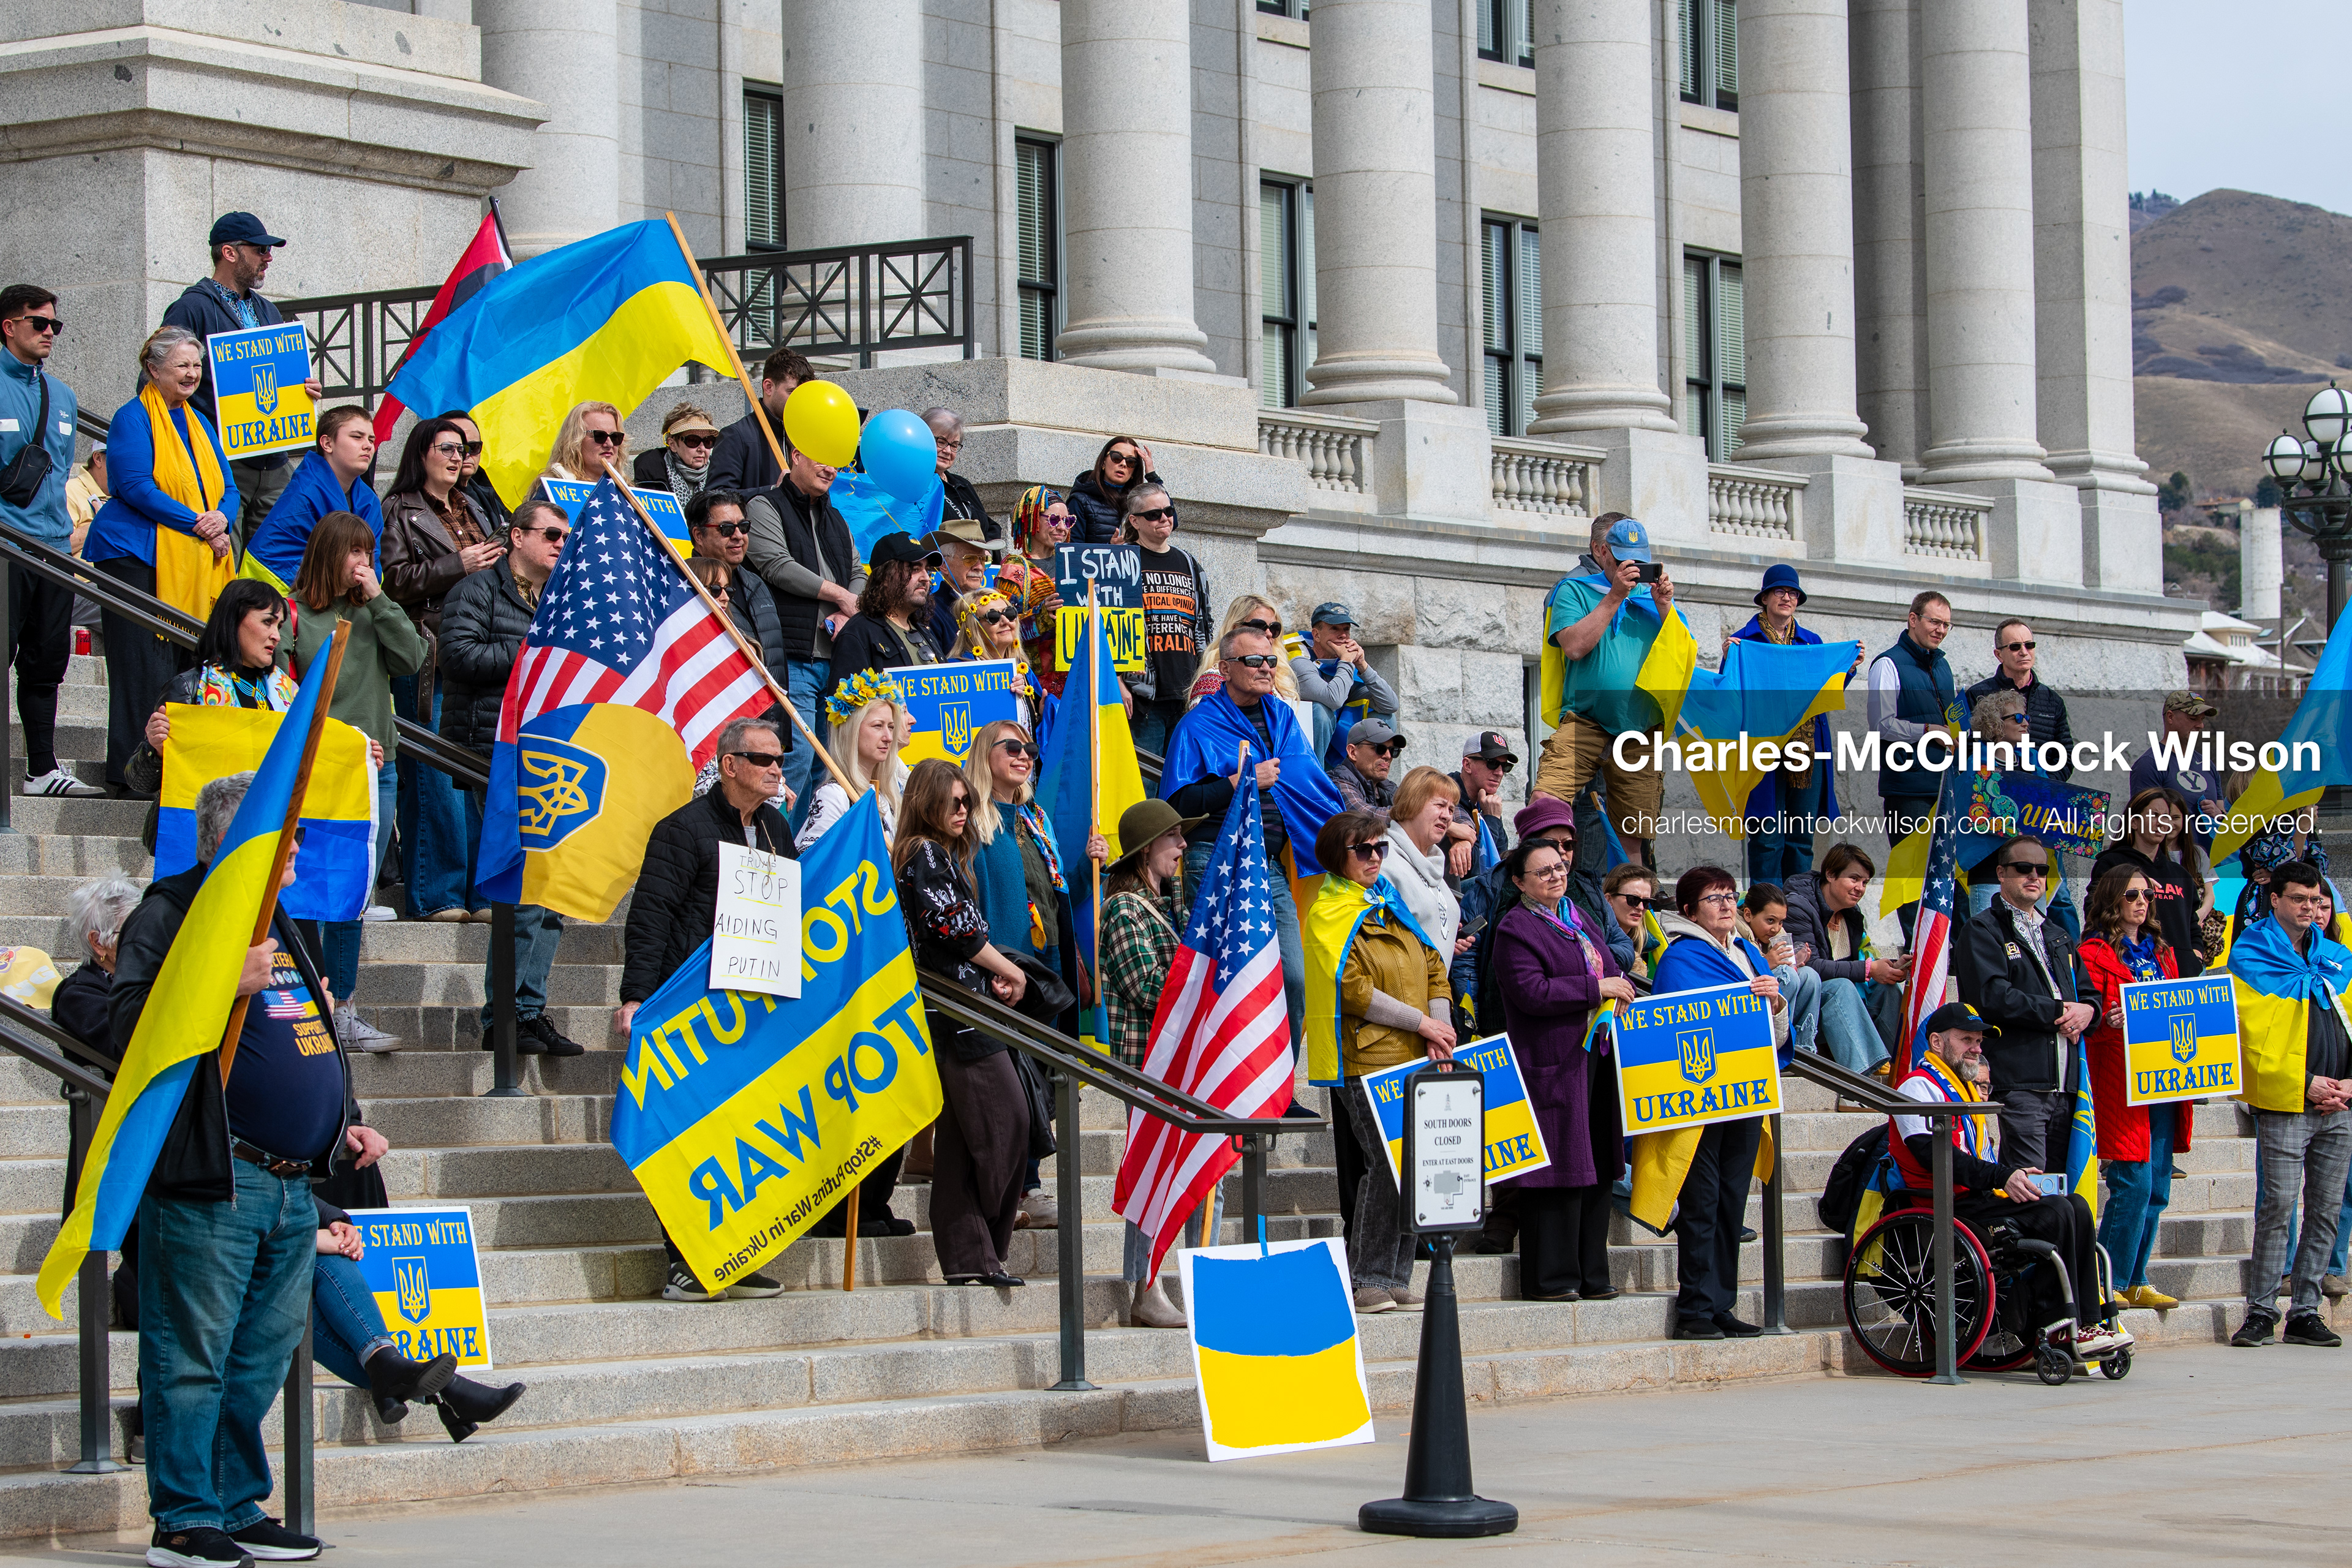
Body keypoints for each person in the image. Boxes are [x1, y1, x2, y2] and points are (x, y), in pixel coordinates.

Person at [115, 769, 384, 1568]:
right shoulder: (171, 913)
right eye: (289, 831)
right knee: (189, 1358)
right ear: (248, 837)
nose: (300, 844)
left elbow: (305, 1038)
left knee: (259, 1359)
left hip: (292, 1185)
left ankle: (235, 1505)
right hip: (213, 1179)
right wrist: (214, 984)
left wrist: (343, 1129)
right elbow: (125, 1020)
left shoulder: (283, 920)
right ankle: (184, 1518)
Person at [613, 715, 801, 1299]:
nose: (777, 769)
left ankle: (736, 1254)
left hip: (754, 1010)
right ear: (729, 766)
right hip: (691, 1006)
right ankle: (686, 1261)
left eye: (780, 759)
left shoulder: (776, 829)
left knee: (743, 1136)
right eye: (764, 760)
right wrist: (636, 996)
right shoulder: (683, 829)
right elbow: (651, 917)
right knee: (689, 1138)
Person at [1890, 1002, 2129, 1357]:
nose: (1976, 1047)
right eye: (1966, 1039)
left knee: (2076, 1205)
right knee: (2056, 1214)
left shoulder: (1966, 1087)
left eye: (1979, 1041)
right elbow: (1939, 1158)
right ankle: (2059, 1324)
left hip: (1976, 1196)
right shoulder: (1917, 1088)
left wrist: (2009, 1179)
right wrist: (2004, 1176)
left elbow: (1978, 1158)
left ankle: (2090, 1321)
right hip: (1940, 1202)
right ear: (1937, 1042)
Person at [437, 499, 584, 1057]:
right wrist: (532, 652)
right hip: (493, 756)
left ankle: (529, 1010)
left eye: (566, 538)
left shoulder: (564, 600)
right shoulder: (476, 591)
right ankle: (502, 1017)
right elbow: (458, 657)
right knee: (522, 894)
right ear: (517, 536)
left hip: (554, 758)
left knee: (552, 899)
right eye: (550, 534)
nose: (560, 545)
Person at [1159, 626, 1346, 1045]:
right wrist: (1240, 781)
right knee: (1233, 981)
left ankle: (1278, 1093)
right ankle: (1231, 1095)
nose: (1266, 669)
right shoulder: (1198, 725)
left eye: (1271, 661)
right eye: (1254, 661)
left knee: (1293, 979)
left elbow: (1308, 784)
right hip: (1216, 862)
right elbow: (1178, 803)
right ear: (1225, 668)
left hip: (1271, 866)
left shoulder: (1284, 720)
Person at [895, 758, 1036, 1287]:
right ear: (927, 801)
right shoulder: (924, 853)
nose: (964, 810)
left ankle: (970, 1259)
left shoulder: (943, 854)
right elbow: (954, 928)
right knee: (1008, 1125)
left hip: (962, 1003)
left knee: (962, 1139)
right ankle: (980, 1252)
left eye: (968, 802)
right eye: (955, 802)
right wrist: (1009, 973)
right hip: (956, 1011)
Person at [287, 511, 423, 1049]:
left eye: (370, 554)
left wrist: (382, 600)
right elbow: (284, 698)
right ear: (329, 554)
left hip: (379, 771)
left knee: (352, 892)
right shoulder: (294, 615)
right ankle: (303, 1004)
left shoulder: (374, 611)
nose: (365, 563)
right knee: (305, 888)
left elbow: (412, 659)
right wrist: (337, 746)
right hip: (319, 771)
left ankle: (342, 1007)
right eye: (355, 553)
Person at [1314, 807, 1455, 1313]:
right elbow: (1350, 989)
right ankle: (1367, 1278)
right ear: (1339, 856)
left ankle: (1395, 1276)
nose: (1375, 857)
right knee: (1385, 1165)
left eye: (1381, 848)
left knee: (1411, 1167)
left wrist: (1438, 1025)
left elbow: (1435, 965)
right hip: (1369, 1059)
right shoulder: (1330, 909)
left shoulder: (1387, 902)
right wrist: (1423, 1024)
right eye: (1364, 850)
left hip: (1415, 1054)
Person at [88, 326, 239, 793]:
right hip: (136, 557)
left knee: (181, 670)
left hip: (193, 561)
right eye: (182, 366)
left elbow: (229, 488)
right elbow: (133, 487)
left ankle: (175, 774)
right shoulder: (131, 418)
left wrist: (220, 518)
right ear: (153, 370)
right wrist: (199, 521)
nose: (192, 374)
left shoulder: (200, 420)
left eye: (197, 365)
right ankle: (132, 779)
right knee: (142, 670)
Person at [1490, 835, 1629, 1301]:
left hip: (1596, 1057)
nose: (1556, 875)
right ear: (1520, 882)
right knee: (1557, 1175)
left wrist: (1614, 987)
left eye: (1559, 866)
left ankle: (1592, 1274)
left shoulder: (1578, 917)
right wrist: (1597, 990)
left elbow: (1611, 967)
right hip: (1551, 1064)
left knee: (1595, 1169)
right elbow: (1533, 991)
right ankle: (1553, 1278)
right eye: (1543, 871)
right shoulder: (1515, 928)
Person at [1651, 865, 1784, 1339]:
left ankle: (1721, 1304)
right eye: (1714, 898)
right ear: (1689, 911)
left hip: (1746, 1092)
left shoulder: (1750, 951)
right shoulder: (1680, 958)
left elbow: (1774, 1033)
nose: (1727, 904)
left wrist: (1776, 1002)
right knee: (1702, 1203)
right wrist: (1741, 998)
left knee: (1731, 1202)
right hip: (1698, 1098)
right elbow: (1675, 1025)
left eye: (1731, 895)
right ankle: (1694, 1311)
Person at [380, 415, 502, 922]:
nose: (457, 456)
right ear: (422, 453)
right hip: (426, 652)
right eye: (447, 447)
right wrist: (459, 565)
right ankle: (438, 894)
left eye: (464, 449)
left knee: (474, 775)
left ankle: (479, 891)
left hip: (478, 650)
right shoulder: (397, 508)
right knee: (432, 774)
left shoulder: (474, 505)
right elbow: (390, 580)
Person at [2228, 861, 2352, 1348]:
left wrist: (2347, 1084)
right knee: (2278, 1206)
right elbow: (2248, 1041)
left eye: (2317, 900)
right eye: (2299, 899)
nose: (2310, 908)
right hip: (2286, 1103)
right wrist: (2305, 1082)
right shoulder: (2251, 956)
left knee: (2325, 1208)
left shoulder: (2337, 958)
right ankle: (2260, 1310)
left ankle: (2305, 1311)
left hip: (2339, 1104)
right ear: (2274, 899)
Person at [1099, 797, 1205, 1327]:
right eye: (1174, 838)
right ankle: (1146, 1288)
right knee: (1153, 1179)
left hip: (1183, 1068)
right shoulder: (1122, 908)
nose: (1183, 847)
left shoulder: (1171, 907)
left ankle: (1187, 1281)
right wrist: (1206, 989)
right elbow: (1145, 985)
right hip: (1149, 1067)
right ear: (1146, 850)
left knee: (1194, 1178)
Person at [158, 212, 321, 542]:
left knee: (275, 565)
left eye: (269, 250)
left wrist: (304, 389)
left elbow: (278, 379)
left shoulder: (268, 310)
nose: (269, 257)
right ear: (230, 253)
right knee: (227, 566)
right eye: (260, 250)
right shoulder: (192, 308)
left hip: (275, 461)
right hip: (222, 463)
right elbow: (158, 382)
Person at [1532, 514, 1677, 865]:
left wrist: (1665, 609)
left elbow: (1678, 659)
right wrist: (1614, 597)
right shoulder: (1575, 590)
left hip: (1640, 730)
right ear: (1601, 552)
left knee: (1633, 837)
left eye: (1640, 559)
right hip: (1586, 720)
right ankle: (1544, 879)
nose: (1634, 567)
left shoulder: (1651, 600)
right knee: (1545, 802)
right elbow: (1575, 647)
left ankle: (1629, 912)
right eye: (1625, 557)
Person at [2078, 863, 2190, 1310]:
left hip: (2166, 1077)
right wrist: (2108, 1021)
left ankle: (2137, 1278)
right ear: (2111, 900)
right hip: (2121, 1081)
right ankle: (2109, 1281)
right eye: (2132, 896)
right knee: (2133, 1184)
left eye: (2147, 896)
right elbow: (2088, 1020)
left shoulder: (2163, 953)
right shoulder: (2092, 953)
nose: (2141, 903)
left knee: (2158, 1187)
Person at [1, 282, 97, 798]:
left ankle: (41, 769)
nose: (50, 332)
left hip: (54, 549)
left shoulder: (61, 395)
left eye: (55, 325)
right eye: (39, 323)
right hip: (6, 547)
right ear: (9, 326)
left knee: (46, 662)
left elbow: (61, 472)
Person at [1956, 834, 2093, 1173]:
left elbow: (2088, 994)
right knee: (2031, 1195)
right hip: (2021, 1086)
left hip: (2070, 1089)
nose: (2034, 876)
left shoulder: (2058, 934)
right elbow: (1992, 998)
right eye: (2023, 868)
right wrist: (2059, 1011)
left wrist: (2090, 1011)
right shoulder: (1981, 929)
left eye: (2041, 869)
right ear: (2001, 874)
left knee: (2066, 1194)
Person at [744, 437, 863, 817]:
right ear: (795, 455)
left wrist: (849, 610)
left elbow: (859, 572)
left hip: (835, 662)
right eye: (822, 460)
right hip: (792, 658)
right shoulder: (764, 506)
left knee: (825, 767)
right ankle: (776, 851)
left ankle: (806, 857)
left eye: (836, 464)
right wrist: (840, 595)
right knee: (794, 760)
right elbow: (775, 564)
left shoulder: (837, 518)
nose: (831, 470)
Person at [1727, 564, 1852, 888]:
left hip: (1806, 752)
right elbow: (1732, 692)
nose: (1787, 597)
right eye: (1780, 591)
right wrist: (1730, 660)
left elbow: (1828, 690)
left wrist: (1847, 668)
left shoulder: (1812, 643)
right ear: (1765, 598)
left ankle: (1796, 910)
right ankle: (1765, 915)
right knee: (1767, 839)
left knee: (1801, 840)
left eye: (1793, 592)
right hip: (1763, 751)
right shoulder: (1744, 641)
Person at [1868, 590, 1961, 884]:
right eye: (1935, 622)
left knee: (1948, 884)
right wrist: (1928, 731)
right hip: (1908, 792)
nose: (1941, 631)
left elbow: (1954, 720)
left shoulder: (1943, 666)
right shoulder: (1887, 664)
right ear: (1913, 619)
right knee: (1914, 883)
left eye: (1947, 625)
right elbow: (1880, 724)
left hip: (1946, 787)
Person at [240, 406, 380, 594]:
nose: (368, 446)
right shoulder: (305, 493)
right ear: (327, 444)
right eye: (357, 437)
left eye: (371, 439)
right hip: (278, 597)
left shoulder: (369, 500)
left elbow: (374, 562)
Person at [1784, 843, 1908, 1050]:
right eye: (1854, 879)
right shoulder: (1797, 906)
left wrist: (1891, 967)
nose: (1860, 888)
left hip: (1844, 1006)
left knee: (1887, 988)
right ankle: (1864, 1075)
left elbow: (1856, 962)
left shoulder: (1851, 913)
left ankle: (1901, 1063)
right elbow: (1810, 965)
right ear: (1831, 875)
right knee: (1842, 987)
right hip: (1806, 1009)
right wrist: (1870, 970)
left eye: (1865, 882)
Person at [1118, 483, 1212, 757]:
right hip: (1141, 695)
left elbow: (1204, 626)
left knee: (1181, 786)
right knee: (1146, 787)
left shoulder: (1189, 563)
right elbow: (1103, 627)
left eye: (1168, 511)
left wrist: (1205, 680)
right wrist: (1118, 682)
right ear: (1134, 521)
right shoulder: (1122, 560)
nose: (1164, 518)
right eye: (1154, 514)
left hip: (1187, 693)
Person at [2091, 788, 2206, 976]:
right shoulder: (2111, 864)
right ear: (2134, 822)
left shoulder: (2181, 874)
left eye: (2166, 817)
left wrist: (2195, 959)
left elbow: (2193, 926)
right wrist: (2130, 885)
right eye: (2154, 815)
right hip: (2135, 975)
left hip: (2184, 977)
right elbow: (2096, 916)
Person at [796, 669, 909, 851]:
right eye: (878, 726)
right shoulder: (834, 795)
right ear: (852, 732)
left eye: (891, 727)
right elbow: (815, 864)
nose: (888, 737)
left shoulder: (886, 796)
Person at [688, 489, 790, 681]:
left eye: (743, 527)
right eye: (726, 529)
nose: (738, 536)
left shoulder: (758, 584)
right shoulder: (688, 589)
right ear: (699, 536)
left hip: (774, 707)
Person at [825, 532, 944, 689]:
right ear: (885, 577)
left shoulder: (924, 632)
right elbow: (846, 709)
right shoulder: (858, 634)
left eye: (926, 570)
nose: (926, 578)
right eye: (915, 569)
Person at [1294, 601, 1401, 767]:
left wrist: (1363, 666)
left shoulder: (1348, 662)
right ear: (1316, 635)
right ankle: (1318, 781)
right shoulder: (1300, 659)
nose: (1343, 635)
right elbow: (1334, 699)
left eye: (1346, 629)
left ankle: (1367, 778)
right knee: (1321, 711)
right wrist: (1346, 661)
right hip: (1307, 751)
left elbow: (1391, 705)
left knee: (1386, 717)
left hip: (1340, 741)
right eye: (1334, 629)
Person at [51, 875, 140, 1068]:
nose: (147, 938)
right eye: (133, 931)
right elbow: (130, 1048)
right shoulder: (78, 996)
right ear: (98, 943)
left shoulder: (143, 977)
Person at [1383, 766, 1464, 963]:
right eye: (1440, 805)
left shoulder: (1433, 864)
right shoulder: (1381, 859)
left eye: (1451, 809)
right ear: (1413, 803)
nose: (1447, 816)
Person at [997, 485, 1072, 699]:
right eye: (1054, 519)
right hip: (1036, 684)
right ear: (1030, 519)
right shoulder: (1015, 569)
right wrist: (1041, 616)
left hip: (1079, 679)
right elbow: (1001, 629)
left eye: (1068, 521)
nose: (1062, 528)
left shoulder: (1076, 564)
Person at [2130, 689, 2226, 850]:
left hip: (2211, 865)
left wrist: (2218, 814)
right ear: (2170, 717)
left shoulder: (2206, 763)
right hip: (2172, 864)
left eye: (2202, 720)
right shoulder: (2149, 764)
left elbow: (2223, 814)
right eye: (2192, 718)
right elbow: (2144, 824)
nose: (2200, 725)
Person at [707, 347, 812, 494]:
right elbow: (715, 497)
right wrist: (773, 491)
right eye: (792, 392)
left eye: (803, 394)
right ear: (768, 387)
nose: (799, 401)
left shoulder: (806, 437)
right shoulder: (736, 436)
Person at [948, 589, 1041, 733]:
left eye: (1010, 613)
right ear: (973, 628)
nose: (1005, 622)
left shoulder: (1023, 671)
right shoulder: (957, 670)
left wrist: (1041, 709)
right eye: (994, 617)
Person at [924, 407, 1001, 546]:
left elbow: (991, 527)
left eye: (954, 445)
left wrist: (986, 550)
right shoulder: (917, 484)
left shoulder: (962, 485)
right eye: (941, 442)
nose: (948, 451)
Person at [1067, 432, 1161, 545]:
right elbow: (1072, 552)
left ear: (1134, 472)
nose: (1123, 464)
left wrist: (1152, 475)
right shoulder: (1080, 501)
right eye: (1117, 458)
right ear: (1103, 462)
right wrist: (1110, 549)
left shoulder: (1138, 502)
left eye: (1131, 462)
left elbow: (1170, 522)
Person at [923, 519, 995, 655]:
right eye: (969, 559)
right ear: (944, 565)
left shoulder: (991, 606)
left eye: (984, 560)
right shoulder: (931, 611)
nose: (979, 567)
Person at [1449, 732, 1515, 881]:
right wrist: (1491, 819)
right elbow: (1478, 869)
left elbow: (1499, 855)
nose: (1499, 772)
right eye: (1491, 763)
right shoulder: (1447, 793)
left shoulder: (1485, 800)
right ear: (1467, 765)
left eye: (1505, 766)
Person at [632, 400, 722, 502]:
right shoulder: (650, 473)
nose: (702, 449)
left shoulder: (720, 472)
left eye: (708, 441)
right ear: (672, 444)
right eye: (693, 441)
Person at [439, 409, 511, 533]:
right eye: (457, 448)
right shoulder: (426, 501)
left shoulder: (491, 497)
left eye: (474, 447)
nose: (466, 455)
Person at [1328, 716, 1403, 813]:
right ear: (1353, 753)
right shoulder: (1337, 783)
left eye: (1394, 751)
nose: (1388, 756)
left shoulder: (1388, 787)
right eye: (1380, 749)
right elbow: (1364, 817)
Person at [540, 401, 625, 483]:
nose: (609, 444)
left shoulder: (628, 491)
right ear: (575, 441)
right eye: (600, 436)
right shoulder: (554, 488)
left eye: (615, 437)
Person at [67, 441, 108, 554]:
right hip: (83, 571)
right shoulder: (70, 490)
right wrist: (101, 524)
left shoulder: (129, 495)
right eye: (121, 458)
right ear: (98, 459)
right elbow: (59, 545)